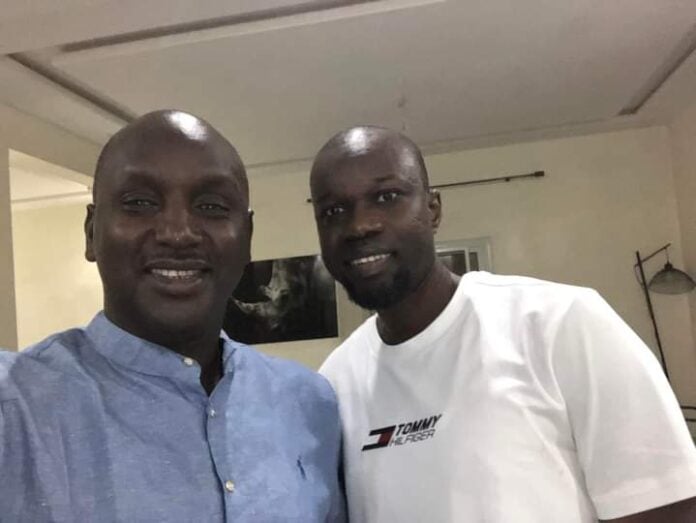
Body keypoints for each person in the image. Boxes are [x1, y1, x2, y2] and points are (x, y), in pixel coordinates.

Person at [309, 125, 696, 522]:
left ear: (433, 209)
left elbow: (667, 508)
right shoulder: (333, 383)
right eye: (333, 211)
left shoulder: (561, 323)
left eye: (386, 196)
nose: (360, 225)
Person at [0, 110, 344, 522]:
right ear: (91, 232)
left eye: (211, 206)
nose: (178, 233)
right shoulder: (16, 406)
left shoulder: (308, 403)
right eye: (140, 203)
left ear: (247, 237)